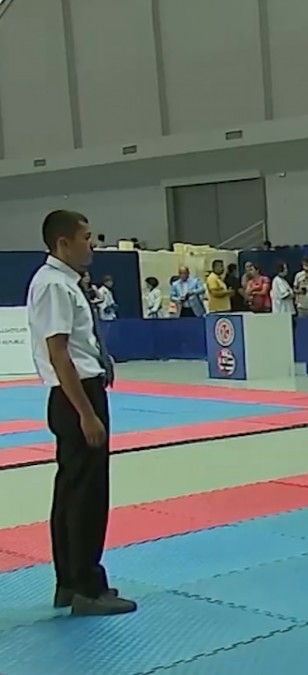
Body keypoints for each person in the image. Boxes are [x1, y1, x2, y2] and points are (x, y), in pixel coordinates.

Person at [27, 210, 137, 615]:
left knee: (72, 490)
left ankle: (71, 583)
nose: (92, 245)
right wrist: (87, 413)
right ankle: (87, 587)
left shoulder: (63, 282)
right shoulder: (55, 285)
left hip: (76, 392)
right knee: (86, 495)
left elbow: (72, 345)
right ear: (63, 243)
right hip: (76, 395)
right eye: (86, 237)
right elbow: (59, 353)